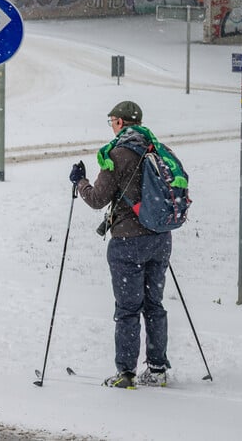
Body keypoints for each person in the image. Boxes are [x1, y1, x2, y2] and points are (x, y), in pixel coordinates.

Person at [69, 100, 175, 389]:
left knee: (128, 309)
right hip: (160, 238)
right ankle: (157, 369)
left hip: (128, 242)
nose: (112, 126)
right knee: (154, 304)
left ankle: (125, 374)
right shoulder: (156, 149)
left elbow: (97, 199)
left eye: (112, 121)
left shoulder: (117, 154)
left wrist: (81, 181)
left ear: (120, 122)